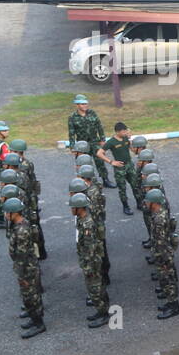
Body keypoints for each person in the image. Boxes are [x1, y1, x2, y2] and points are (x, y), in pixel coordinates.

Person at [5, 196, 46, 337]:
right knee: (29, 295)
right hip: (27, 266)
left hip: (26, 268)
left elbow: (22, 256)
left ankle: (38, 323)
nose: (5, 214)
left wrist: (22, 275)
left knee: (30, 296)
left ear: (14, 213)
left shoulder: (21, 231)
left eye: (7, 212)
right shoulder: (21, 225)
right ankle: (34, 318)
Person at [70, 192, 111, 328]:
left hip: (92, 262)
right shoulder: (83, 220)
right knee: (97, 287)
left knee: (94, 288)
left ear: (80, 208)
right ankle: (102, 310)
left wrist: (88, 267)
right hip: (91, 260)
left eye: (73, 207)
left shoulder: (87, 224)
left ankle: (103, 313)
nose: (71, 209)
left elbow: (90, 249)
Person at [146, 189, 179, 319]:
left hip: (163, 255)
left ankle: (174, 306)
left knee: (168, 280)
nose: (146, 203)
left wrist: (164, 260)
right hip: (162, 252)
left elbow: (161, 242)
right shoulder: (159, 213)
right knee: (165, 280)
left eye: (148, 201)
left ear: (154, 203)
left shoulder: (159, 219)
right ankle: (170, 302)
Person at [68, 95, 112, 187]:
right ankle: (87, 182)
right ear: (77, 105)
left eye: (86, 104)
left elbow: (99, 126)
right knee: (84, 164)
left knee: (100, 162)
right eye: (83, 104)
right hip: (82, 145)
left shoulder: (92, 113)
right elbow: (71, 133)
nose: (85, 106)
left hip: (95, 142)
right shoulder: (72, 117)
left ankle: (105, 180)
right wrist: (72, 147)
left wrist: (102, 139)